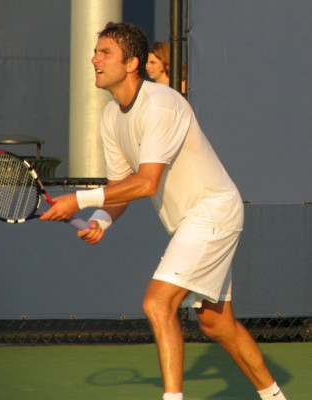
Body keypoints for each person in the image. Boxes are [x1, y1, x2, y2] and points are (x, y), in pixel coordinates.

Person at [40, 22, 287, 400]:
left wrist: (78, 199)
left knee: (157, 302)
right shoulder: (111, 117)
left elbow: (147, 182)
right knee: (218, 325)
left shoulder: (161, 104)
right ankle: (275, 397)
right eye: (96, 52)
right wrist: (101, 220)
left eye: (105, 52)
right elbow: (121, 188)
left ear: (133, 62)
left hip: (212, 212)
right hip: (192, 221)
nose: (94, 59)